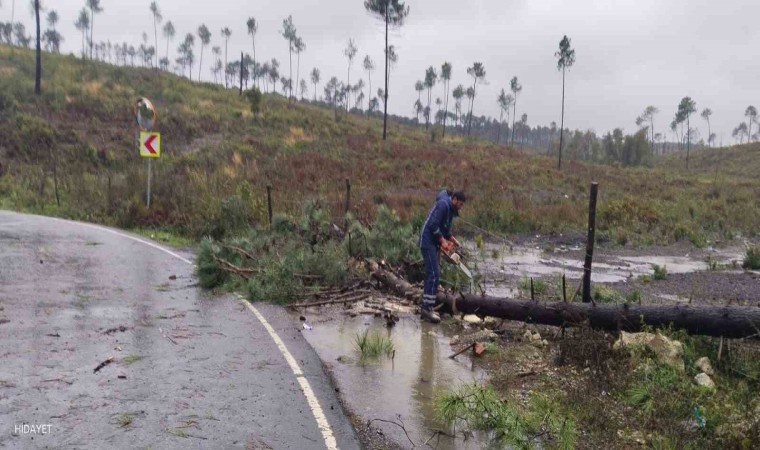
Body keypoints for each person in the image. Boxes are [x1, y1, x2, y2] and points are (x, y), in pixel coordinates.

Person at [418, 190, 466, 323]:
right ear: (454, 199)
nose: (460, 207)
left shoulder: (450, 210)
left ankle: (427, 307)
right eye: (460, 204)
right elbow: (433, 225)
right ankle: (426, 309)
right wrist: (443, 241)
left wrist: (455, 242)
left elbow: (446, 231)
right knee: (433, 274)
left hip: (433, 243)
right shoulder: (443, 205)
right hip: (427, 241)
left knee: (433, 274)